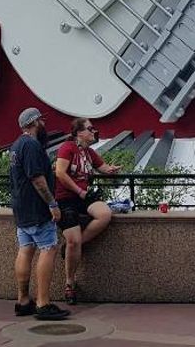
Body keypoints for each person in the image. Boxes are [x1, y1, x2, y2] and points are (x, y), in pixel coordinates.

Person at [9, 107, 69, 322]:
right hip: (37, 208)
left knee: (25, 249)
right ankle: (43, 303)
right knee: (49, 248)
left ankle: (23, 301)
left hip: (21, 207)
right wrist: (52, 204)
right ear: (34, 122)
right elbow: (37, 178)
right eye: (41, 121)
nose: (44, 124)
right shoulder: (32, 145)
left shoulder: (16, 146)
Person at [54, 117, 121, 305]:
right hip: (66, 199)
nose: (94, 132)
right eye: (90, 129)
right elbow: (60, 172)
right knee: (73, 240)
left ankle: (72, 246)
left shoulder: (89, 152)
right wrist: (79, 191)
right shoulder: (67, 148)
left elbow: (102, 167)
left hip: (83, 197)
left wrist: (111, 169)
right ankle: (70, 283)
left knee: (104, 214)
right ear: (79, 133)